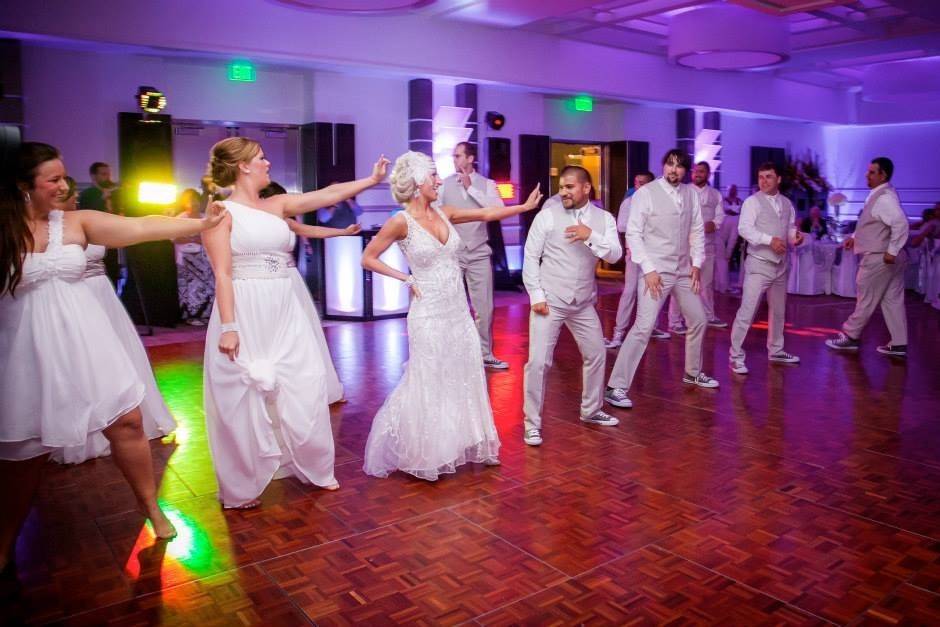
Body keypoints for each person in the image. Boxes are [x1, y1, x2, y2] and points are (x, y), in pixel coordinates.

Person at [1, 142, 228, 570]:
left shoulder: (77, 222)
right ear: (22, 186)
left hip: (86, 342)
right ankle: (4, 537)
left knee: (127, 422)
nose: (64, 185)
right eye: (53, 179)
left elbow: (140, 228)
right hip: (24, 350)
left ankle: (151, 509)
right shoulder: (4, 231)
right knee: (24, 451)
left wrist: (201, 221)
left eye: (64, 176)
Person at [201, 138, 388, 508]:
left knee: (304, 379)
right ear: (242, 166)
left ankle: (309, 464)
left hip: (285, 303)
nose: (267, 162)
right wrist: (229, 326)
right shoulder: (220, 211)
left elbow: (326, 194)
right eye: (261, 158)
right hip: (246, 304)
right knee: (245, 392)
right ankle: (244, 482)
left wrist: (370, 180)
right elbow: (222, 274)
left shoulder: (276, 205)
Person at [361, 151, 542, 477]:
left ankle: (473, 441)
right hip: (427, 314)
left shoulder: (446, 213)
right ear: (418, 183)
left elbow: (487, 213)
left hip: (458, 312)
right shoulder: (400, 222)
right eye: (433, 177)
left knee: (466, 374)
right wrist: (405, 278)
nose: (439, 181)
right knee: (431, 378)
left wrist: (524, 208)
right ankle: (429, 451)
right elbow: (368, 257)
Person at [52, 176, 178, 463]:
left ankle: (128, 415)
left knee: (119, 354)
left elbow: (139, 227)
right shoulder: (49, 230)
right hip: (75, 295)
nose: (74, 199)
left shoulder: (90, 220)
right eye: (70, 195)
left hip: (102, 293)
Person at [604, 149, 718, 411]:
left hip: (682, 270)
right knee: (644, 326)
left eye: (679, 166)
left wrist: (697, 264)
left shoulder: (690, 194)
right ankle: (616, 387)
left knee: (699, 319)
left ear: (685, 171)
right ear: (663, 166)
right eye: (669, 164)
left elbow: (697, 230)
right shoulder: (646, 194)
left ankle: (692, 372)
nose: (673, 170)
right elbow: (633, 233)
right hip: (655, 271)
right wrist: (648, 269)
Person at [522, 166, 622, 446]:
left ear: (586, 188)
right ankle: (532, 423)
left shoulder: (604, 219)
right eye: (561, 187)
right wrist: (537, 296)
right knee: (538, 362)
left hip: (582, 301)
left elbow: (615, 255)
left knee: (597, 353)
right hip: (550, 300)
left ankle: (591, 410)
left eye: (569, 187)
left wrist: (590, 234)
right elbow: (531, 257)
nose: (563, 192)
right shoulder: (547, 216)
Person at [259, 180, 351, 405]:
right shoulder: (256, 222)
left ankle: (309, 387)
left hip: (291, 279)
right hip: (268, 282)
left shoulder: (287, 220)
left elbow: (311, 230)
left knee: (304, 333)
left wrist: (342, 231)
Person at [826, 157, 909, 357]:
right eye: (868, 171)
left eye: (872, 172)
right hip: (888, 258)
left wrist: (892, 251)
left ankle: (851, 336)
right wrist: (855, 237)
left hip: (880, 258)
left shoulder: (884, 198)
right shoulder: (881, 195)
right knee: (892, 300)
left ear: (883, 175)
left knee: (865, 298)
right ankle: (899, 343)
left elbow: (901, 224)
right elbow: (875, 224)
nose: (867, 175)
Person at [728, 162, 804, 375]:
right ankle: (735, 356)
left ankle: (776, 350)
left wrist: (794, 238)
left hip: (781, 265)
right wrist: (769, 240)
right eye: (761, 177)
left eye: (768, 177)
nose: (763, 181)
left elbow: (789, 228)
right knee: (748, 311)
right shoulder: (752, 202)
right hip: (759, 264)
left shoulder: (787, 203)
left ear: (778, 179)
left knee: (779, 311)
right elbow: (744, 229)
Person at [439, 142, 509, 369]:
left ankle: (485, 353)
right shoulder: (443, 184)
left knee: (484, 307)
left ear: (470, 159)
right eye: (453, 155)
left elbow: (498, 211)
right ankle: (450, 354)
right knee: (450, 305)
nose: (454, 159)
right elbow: (437, 215)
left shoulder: (487, 184)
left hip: (479, 251)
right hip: (453, 253)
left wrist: (471, 189)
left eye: (458, 155)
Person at [605, 170, 670, 349]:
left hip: (654, 254)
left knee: (654, 290)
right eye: (636, 182)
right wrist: (644, 226)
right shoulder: (629, 202)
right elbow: (622, 226)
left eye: (643, 183)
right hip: (635, 254)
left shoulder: (658, 202)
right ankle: (618, 333)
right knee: (630, 291)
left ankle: (652, 327)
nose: (638, 186)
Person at [667, 161, 727, 332]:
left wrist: (714, 224)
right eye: (695, 171)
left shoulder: (715, 194)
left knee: (706, 284)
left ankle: (708, 316)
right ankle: (675, 322)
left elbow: (720, 215)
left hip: (707, 245)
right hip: (685, 247)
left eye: (701, 172)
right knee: (681, 284)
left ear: (708, 174)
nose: (697, 174)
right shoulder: (683, 191)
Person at [172, 188, 215, 325]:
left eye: (196, 200)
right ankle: (190, 315)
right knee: (189, 288)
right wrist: (191, 239)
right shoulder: (180, 218)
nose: (194, 203)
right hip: (185, 258)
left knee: (206, 286)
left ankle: (205, 314)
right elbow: (174, 238)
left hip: (203, 258)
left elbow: (212, 237)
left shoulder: (205, 217)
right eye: (190, 200)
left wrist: (199, 239)